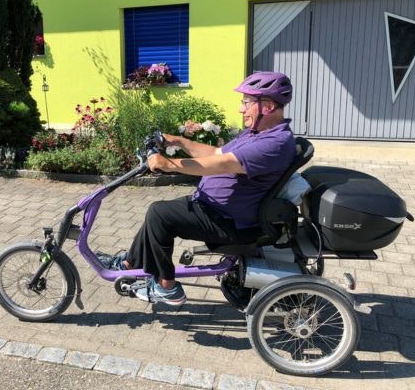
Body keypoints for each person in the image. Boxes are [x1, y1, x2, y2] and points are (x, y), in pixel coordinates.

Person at [98, 71, 297, 306]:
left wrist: (168, 164)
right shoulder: (256, 133)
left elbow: (218, 164)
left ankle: (167, 287)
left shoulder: (274, 143)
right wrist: (179, 141)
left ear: (268, 106)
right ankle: (130, 264)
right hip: (213, 208)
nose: (241, 109)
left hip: (230, 223)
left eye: (247, 103)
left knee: (159, 214)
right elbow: (215, 153)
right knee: (162, 213)